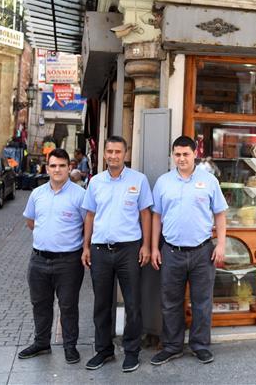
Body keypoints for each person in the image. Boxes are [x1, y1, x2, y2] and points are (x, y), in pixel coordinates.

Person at [149, 135, 227, 367]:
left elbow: (220, 214)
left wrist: (221, 245)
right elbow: (156, 217)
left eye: (186, 154)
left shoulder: (209, 181)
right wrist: (154, 247)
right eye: (177, 154)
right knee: (170, 302)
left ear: (195, 154)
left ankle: (200, 346)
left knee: (202, 302)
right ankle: (172, 346)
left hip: (203, 252)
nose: (181, 158)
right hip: (171, 251)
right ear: (172, 155)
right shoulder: (163, 182)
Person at [81, 136, 153, 374]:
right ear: (104, 154)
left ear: (126, 154)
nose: (113, 155)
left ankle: (131, 352)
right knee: (102, 304)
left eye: (118, 151)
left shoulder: (138, 180)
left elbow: (145, 215)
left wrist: (145, 246)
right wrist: (86, 246)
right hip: (101, 250)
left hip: (129, 250)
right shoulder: (95, 182)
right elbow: (90, 215)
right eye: (109, 151)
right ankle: (103, 350)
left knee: (133, 303)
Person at [18, 148, 86, 365]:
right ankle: (41, 343)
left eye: (62, 165)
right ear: (47, 168)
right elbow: (30, 221)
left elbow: (88, 226)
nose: (57, 170)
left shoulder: (80, 195)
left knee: (68, 306)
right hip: (38, 260)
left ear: (69, 167)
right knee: (40, 304)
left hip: (68, 262)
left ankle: (70, 346)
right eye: (53, 165)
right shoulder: (37, 194)